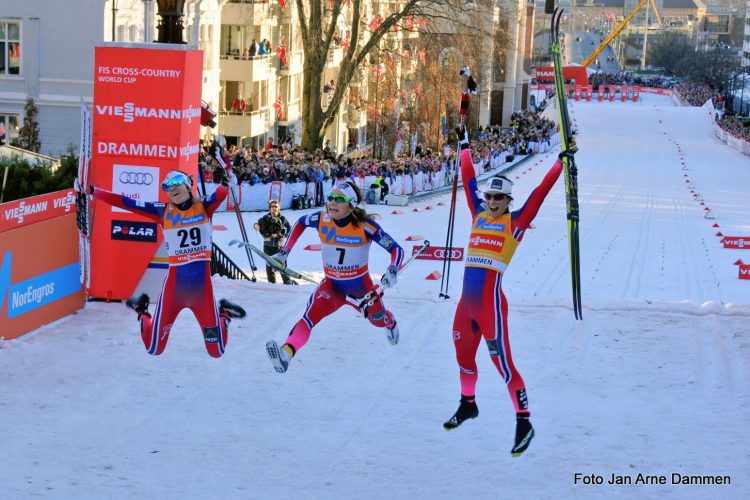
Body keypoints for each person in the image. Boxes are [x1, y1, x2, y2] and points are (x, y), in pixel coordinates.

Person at [443, 125, 564, 457]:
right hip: (465, 306)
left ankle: (524, 421)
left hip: (490, 306)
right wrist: (464, 146)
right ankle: (468, 404)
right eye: (490, 196)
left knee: (504, 366)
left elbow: (538, 194)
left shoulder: (516, 221)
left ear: (508, 200)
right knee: (463, 358)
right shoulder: (478, 214)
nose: (492, 202)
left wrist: (558, 165)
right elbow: (468, 180)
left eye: (499, 198)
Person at [90, 169, 246, 358]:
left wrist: (225, 182)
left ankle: (225, 314)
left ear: (188, 186)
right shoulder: (162, 211)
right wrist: (94, 192)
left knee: (216, 351)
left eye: (176, 182)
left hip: (202, 294)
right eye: (167, 186)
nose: (172, 189)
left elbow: (220, 194)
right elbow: (126, 202)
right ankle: (142, 311)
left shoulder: (204, 207)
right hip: (174, 293)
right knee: (154, 349)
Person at [265, 181, 404, 373]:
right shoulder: (321, 219)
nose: (332, 202)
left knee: (378, 320)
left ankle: (390, 322)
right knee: (309, 317)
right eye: (330, 197)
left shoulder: (365, 226)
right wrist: (284, 252)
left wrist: (392, 269)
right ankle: (286, 354)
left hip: (362, 291)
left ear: (351, 204)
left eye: (339, 199)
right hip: (332, 287)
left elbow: (396, 248)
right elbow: (300, 223)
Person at [253, 199, 293, 284]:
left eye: (276, 206)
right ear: (270, 208)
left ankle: (288, 283)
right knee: (269, 267)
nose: (274, 208)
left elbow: (290, 228)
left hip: (279, 246)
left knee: (282, 265)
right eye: (272, 206)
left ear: (279, 208)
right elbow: (257, 225)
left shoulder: (283, 218)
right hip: (267, 246)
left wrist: (285, 236)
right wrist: (255, 226)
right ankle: (272, 284)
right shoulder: (265, 218)